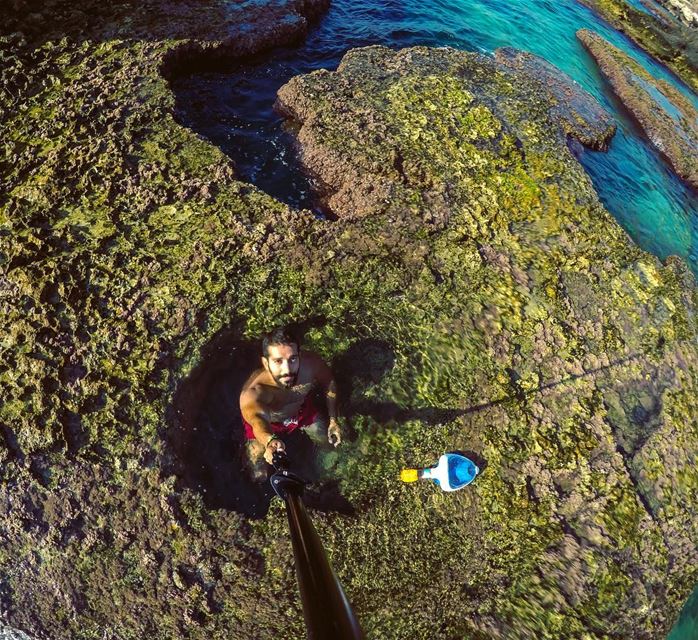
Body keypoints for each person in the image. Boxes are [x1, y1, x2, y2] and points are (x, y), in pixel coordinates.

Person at [239, 326, 342, 481]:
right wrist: (270, 440)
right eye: (278, 361)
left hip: (301, 412)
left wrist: (333, 419)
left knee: (328, 442)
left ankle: (332, 477)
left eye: (292, 359)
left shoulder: (311, 365)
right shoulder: (254, 392)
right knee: (257, 468)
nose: (287, 369)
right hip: (270, 426)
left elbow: (329, 382)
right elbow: (258, 420)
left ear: (299, 356)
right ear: (266, 363)